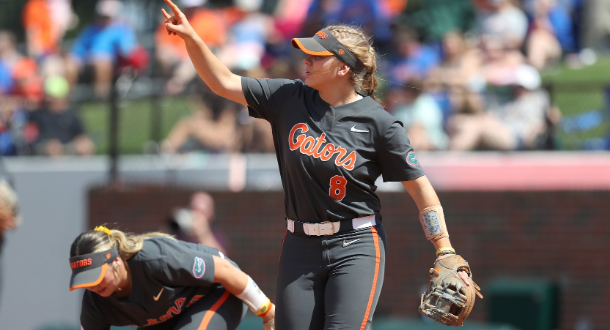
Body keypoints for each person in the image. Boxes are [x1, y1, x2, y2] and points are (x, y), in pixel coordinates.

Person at [160, 1, 474, 329]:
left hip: (357, 245)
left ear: (343, 68)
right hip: (300, 245)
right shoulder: (288, 98)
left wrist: (444, 248)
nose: (306, 60)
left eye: (318, 55)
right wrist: (191, 38)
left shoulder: (378, 123)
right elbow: (222, 82)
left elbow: (422, 192)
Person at [69, 226, 275, 330]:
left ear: (115, 260)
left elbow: (224, 269)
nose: (93, 286)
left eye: (96, 276)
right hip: (169, 317)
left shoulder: (155, 259)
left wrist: (267, 312)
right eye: (86, 281)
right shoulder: (95, 303)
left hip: (218, 292)